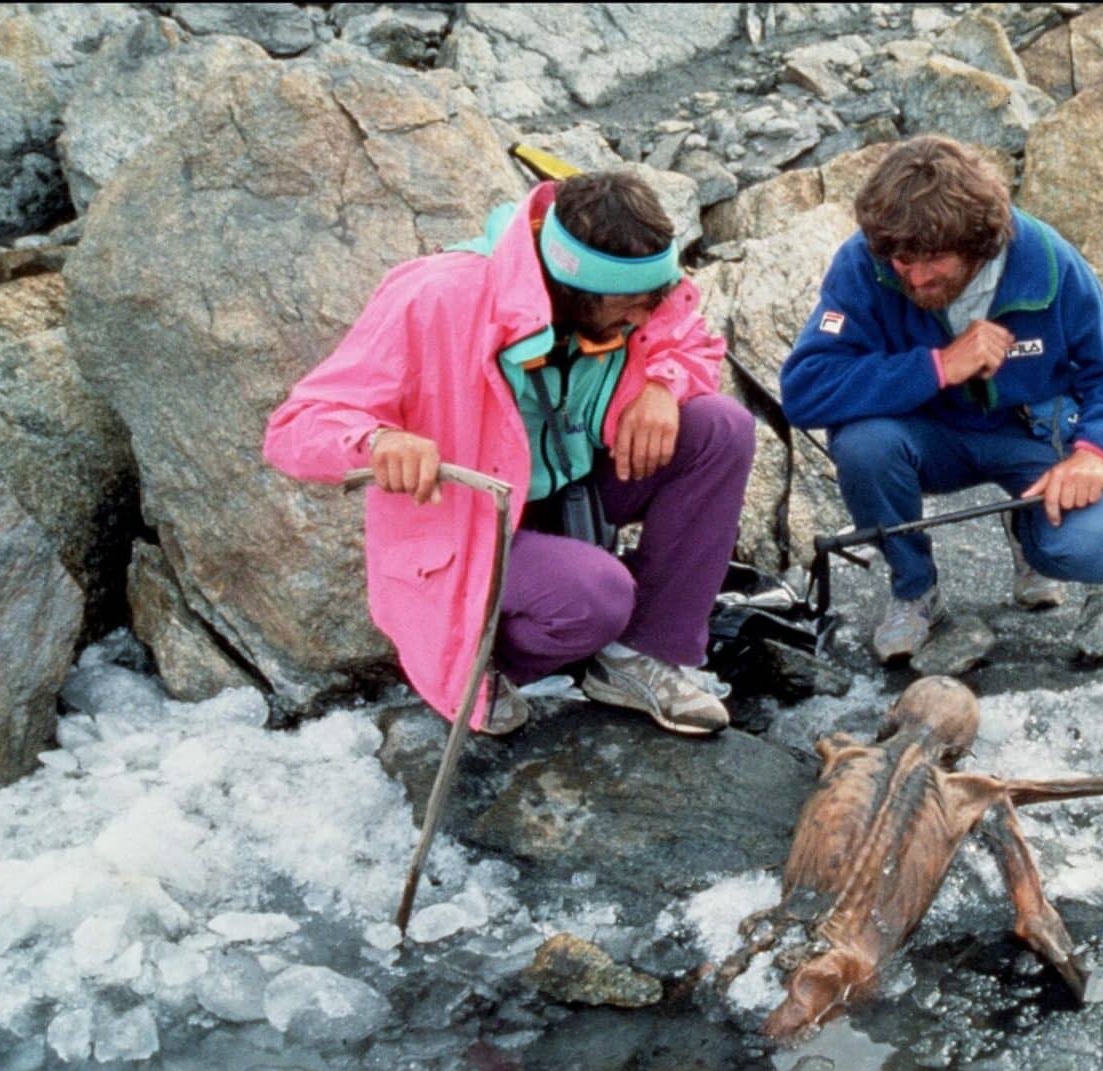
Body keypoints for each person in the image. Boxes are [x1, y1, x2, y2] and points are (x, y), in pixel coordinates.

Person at [265, 170, 754, 736]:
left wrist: (663, 387)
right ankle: (490, 667)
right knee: (597, 595)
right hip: (470, 523)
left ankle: (639, 656)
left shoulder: (641, 297)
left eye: (653, 301)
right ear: (570, 286)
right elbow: (296, 426)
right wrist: (379, 442)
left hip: (575, 488)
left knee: (721, 427)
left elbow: (684, 336)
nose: (643, 320)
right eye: (628, 306)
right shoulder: (437, 296)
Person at [779, 135, 1103, 663]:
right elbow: (804, 389)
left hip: (1031, 433)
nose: (913, 275)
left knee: (1093, 548)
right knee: (863, 446)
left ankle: (1029, 532)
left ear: (979, 243)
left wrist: (1094, 455)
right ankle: (915, 590)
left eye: (933, 259)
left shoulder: (1045, 259)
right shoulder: (864, 263)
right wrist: (936, 367)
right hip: (923, 438)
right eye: (901, 259)